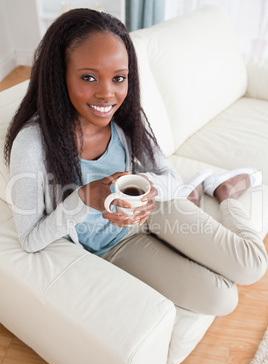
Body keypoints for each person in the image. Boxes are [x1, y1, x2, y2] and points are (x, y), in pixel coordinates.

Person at [4, 8, 267, 316]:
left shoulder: (125, 120)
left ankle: (224, 195)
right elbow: (30, 239)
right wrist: (82, 200)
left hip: (157, 210)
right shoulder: (32, 144)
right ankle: (200, 195)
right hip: (117, 248)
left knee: (253, 266)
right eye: (89, 77)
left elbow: (169, 178)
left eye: (119, 78)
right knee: (223, 300)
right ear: (59, 75)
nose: (107, 94)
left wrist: (151, 191)